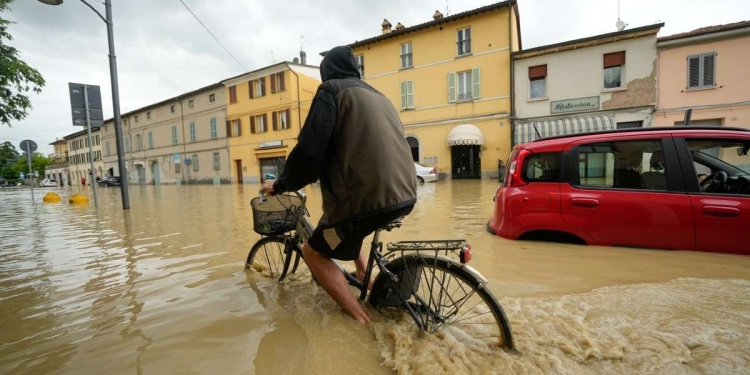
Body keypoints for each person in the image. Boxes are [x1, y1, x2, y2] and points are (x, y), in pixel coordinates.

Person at [262, 46, 417, 324]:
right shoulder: (379, 96)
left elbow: (310, 150)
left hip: (365, 199)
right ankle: (365, 277)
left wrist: (281, 184)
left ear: (326, 72)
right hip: (404, 193)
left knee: (314, 251)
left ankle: (361, 321)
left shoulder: (330, 91)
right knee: (347, 227)